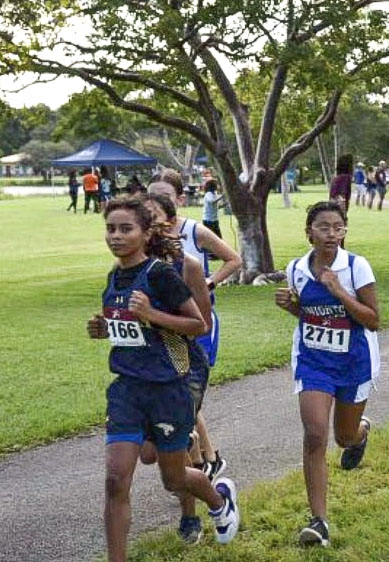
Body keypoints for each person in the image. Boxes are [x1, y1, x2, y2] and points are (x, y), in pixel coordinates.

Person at [88, 197, 239, 562]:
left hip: (167, 388)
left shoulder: (161, 274)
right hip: (126, 388)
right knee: (115, 480)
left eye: (126, 229)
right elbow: (129, 327)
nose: (117, 236)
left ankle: (218, 499)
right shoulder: (115, 275)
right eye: (111, 228)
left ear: (143, 233)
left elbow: (197, 325)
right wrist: (105, 327)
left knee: (173, 479)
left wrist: (151, 314)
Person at [273, 201, 379, 547]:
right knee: (315, 434)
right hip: (313, 361)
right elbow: (310, 315)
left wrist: (339, 291)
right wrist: (292, 308)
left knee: (343, 438)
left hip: (354, 362)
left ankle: (360, 434)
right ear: (309, 232)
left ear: (345, 231)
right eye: (323, 227)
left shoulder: (356, 267)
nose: (331, 234)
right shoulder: (296, 269)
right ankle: (319, 522)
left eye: (338, 227)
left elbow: (373, 320)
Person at [148, 171, 243, 478]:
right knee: (179, 390)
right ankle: (207, 457)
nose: (155, 202)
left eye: (164, 195)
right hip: (166, 328)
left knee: (186, 389)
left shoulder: (194, 231)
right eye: (151, 196)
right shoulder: (144, 236)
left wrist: (210, 282)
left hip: (198, 322)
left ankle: (204, 458)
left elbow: (234, 259)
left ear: (179, 199)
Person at [137, 193, 215, 544]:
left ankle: (190, 517)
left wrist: (155, 318)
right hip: (144, 369)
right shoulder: (127, 268)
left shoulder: (189, 267)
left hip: (183, 367)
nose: (147, 224)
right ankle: (189, 439)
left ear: (169, 223)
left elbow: (203, 325)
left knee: (171, 445)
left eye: (152, 217)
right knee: (149, 454)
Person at [202, 179, 225, 243]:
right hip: (208, 221)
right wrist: (222, 196)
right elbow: (212, 201)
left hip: (214, 220)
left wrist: (225, 204)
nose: (217, 186)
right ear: (212, 185)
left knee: (218, 239)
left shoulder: (214, 193)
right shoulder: (208, 194)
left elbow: (216, 206)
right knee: (213, 240)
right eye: (216, 184)